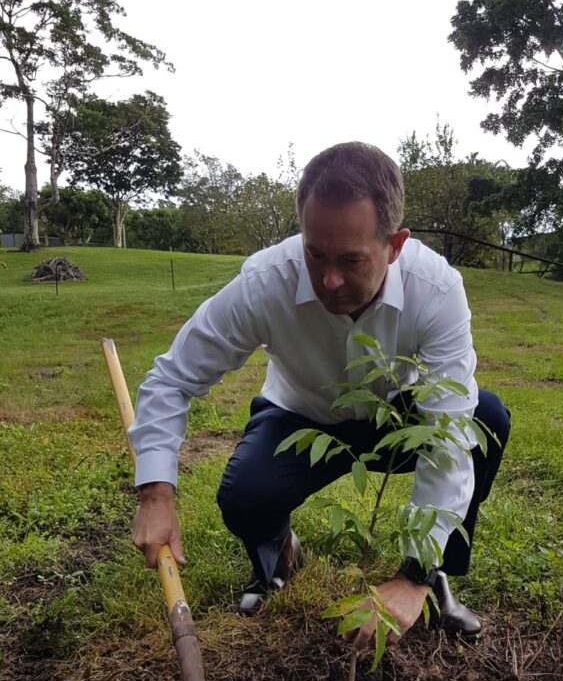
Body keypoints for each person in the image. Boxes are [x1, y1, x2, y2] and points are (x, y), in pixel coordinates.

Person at [129, 142, 510, 650]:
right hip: (299, 414)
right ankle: (280, 559)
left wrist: (412, 575)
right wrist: (156, 494)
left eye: (352, 260)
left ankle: (434, 580)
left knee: (486, 419)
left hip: (391, 416)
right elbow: (173, 378)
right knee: (244, 496)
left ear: (394, 246)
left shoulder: (435, 290)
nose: (329, 280)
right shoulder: (264, 284)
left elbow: (449, 432)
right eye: (315, 253)